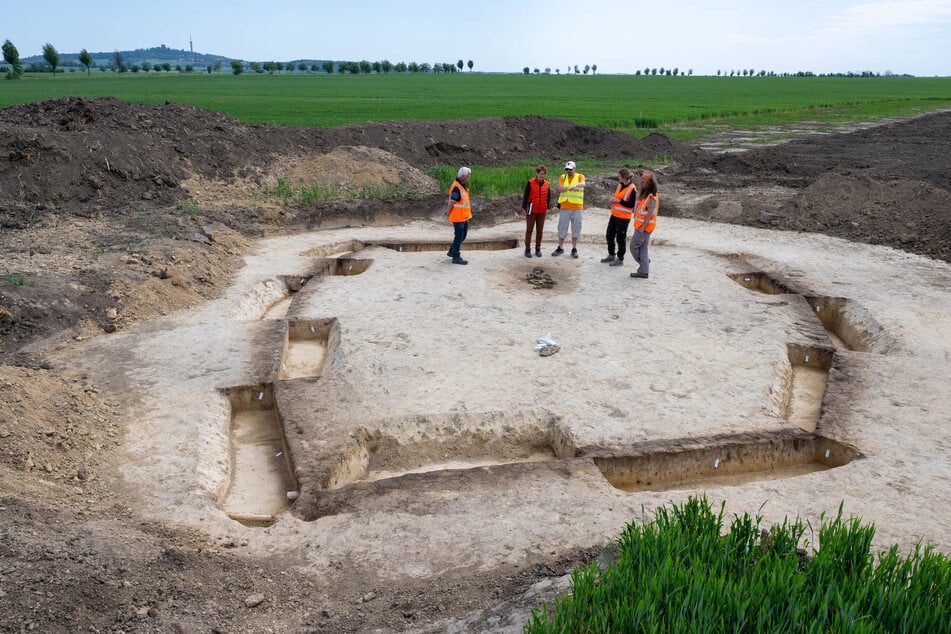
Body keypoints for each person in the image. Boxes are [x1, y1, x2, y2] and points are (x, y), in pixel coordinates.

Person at [601, 167, 637, 266]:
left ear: (624, 177)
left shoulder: (632, 189)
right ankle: (611, 254)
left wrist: (618, 201)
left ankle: (620, 259)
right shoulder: (620, 185)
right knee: (609, 235)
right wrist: (613, 199)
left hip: (623, 218)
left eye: (619, 176)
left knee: (621, 239)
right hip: (614, 215)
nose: (618, 178)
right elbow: (618, 197)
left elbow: (631, 204)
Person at [551, 161, 586, 258]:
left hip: (577, 208)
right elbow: (560, 189)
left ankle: (574, 249)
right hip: (565, 207)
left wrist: (576, 185)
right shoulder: (563, 177)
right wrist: (571, 188)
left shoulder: (580, 176)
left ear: (574, 168)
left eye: (570, 169)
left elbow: (583, 184)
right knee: (562, 227)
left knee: (576, 228)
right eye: (567, 169)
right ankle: (560, 247)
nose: (569, 171)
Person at [629, 171, 659, 279]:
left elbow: (650, 213)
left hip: (644, 228)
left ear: (649, 183)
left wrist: (642, 227)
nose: (640, 183)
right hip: (644, 227)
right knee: (643, 249)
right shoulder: (646, 195)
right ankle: (644, 269)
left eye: (643, 182)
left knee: (633, 247)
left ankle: (644, 265)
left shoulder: (650, 197)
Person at [521, 164, 552, 258]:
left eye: (543, 174)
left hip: (542, 210)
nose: (542, 176)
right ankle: (527, 249)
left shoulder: (547, 184)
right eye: (540, 174)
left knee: (540, 231)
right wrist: (523, 207)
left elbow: (548, 197)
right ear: (537, 173)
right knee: (529, 230)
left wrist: (547, 206)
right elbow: (526, 196)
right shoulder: (530, 183)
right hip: (531, 209)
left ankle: (538, 248)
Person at [445, 166, 472, 265]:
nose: (469, 177)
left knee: (462, 236)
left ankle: (452, 251)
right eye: (468, 175)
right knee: (459, 237)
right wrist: (448, 211)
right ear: (463, 176)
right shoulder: (457, 187)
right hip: (458, 217)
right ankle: (456, 256)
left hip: (463, 216)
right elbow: (452, 201)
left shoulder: (461, 185)